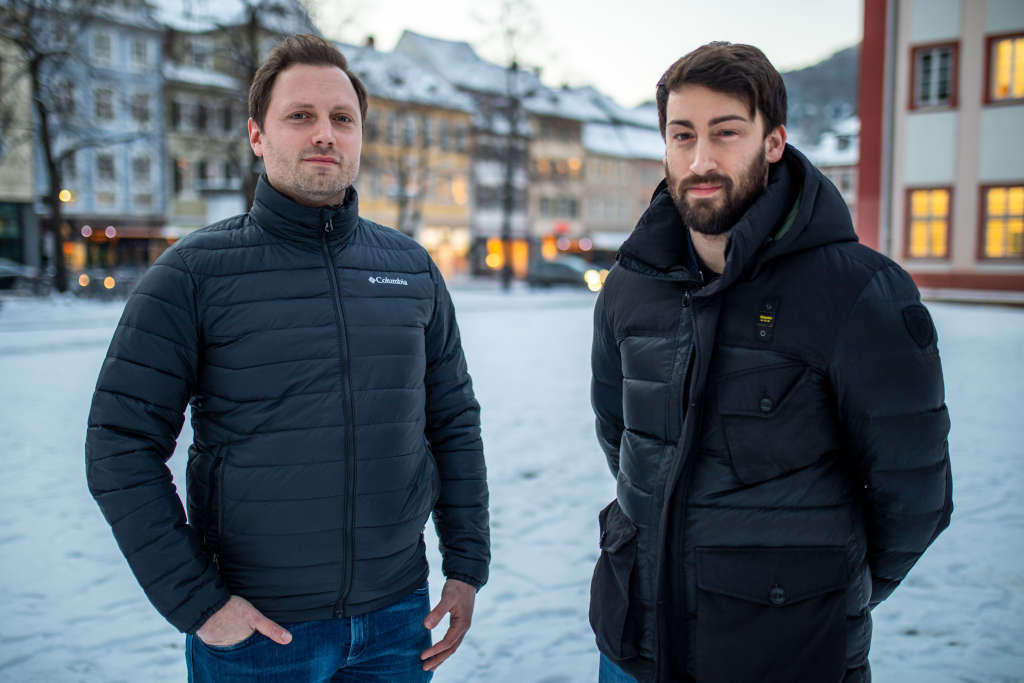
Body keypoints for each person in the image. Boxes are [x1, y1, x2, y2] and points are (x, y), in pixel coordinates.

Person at [85, 34, 489, 682]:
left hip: (396, 623)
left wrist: (467, 564)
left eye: (342, 118)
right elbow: (118, 443)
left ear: (359, 135)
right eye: (300, 116)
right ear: (256, 135)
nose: (324, 133)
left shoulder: (410, 269)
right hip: (258, 635)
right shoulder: (192, 273)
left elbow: (452, 421)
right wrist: (199, 603)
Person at [588, 42, 952, 683]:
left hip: (786, 654)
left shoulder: (859, 292)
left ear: (775, 141)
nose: (701, 159)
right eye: (682, 135)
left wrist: (822, 589)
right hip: (634, 647)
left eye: (726, 133)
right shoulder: (630, 285)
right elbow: (623, 441)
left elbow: (915, 493)